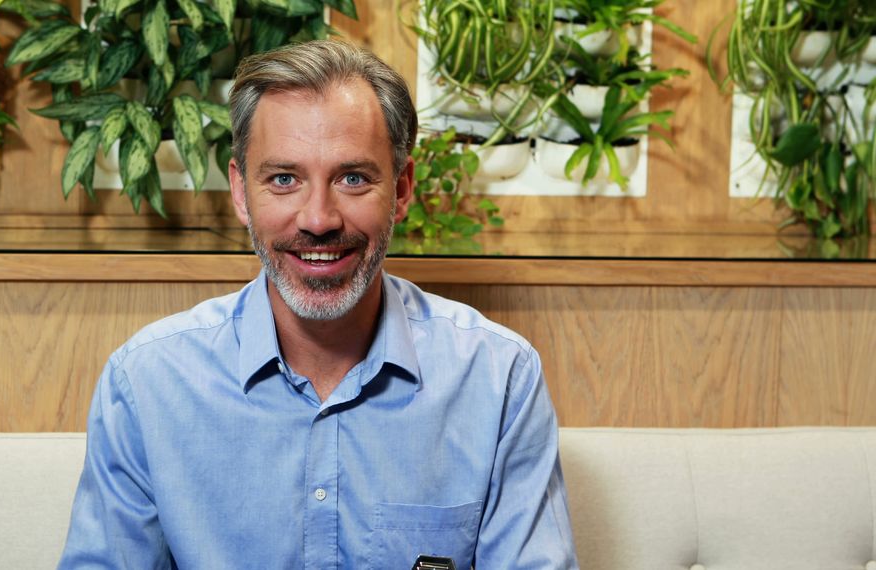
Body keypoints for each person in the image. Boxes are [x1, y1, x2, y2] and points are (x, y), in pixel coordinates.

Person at [59, 39, 578, 569]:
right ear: (241, 193)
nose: (318, 218)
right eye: (284, 179)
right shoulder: (146, 384)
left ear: (401, 189)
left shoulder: (499, 379)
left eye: (353, 178)